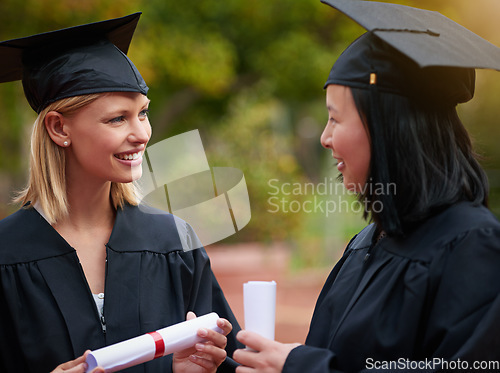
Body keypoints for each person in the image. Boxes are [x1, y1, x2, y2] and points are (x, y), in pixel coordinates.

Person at [233, 1, 500, 372]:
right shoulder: (367, 243)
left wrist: (300, 367)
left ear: (388, 128)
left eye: (335, 118)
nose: (325, 137)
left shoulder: (473, 247)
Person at [0, 13, 241, 373]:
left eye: (142, 113)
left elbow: (230, 362)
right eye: (118, 119)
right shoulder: (7, 255)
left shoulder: (173, 242)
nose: (142, 134)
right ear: (58, 127)